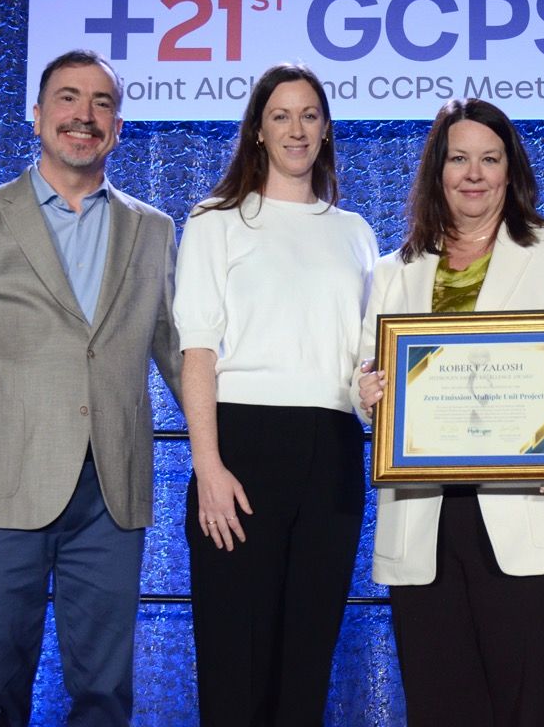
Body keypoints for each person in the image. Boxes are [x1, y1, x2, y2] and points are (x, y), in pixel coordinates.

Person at [0, 49, 181, 725]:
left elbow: (177, 350)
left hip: (112, 494)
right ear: (36, 116)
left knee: (105, 692)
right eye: (67, 98)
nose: (83, 116)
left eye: (101, 103)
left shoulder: (153, 229)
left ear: (118, 127)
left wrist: (242, 433)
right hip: (1, 488)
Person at [354, 98, 544, 726]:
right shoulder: (392, 273)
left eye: (489, 158)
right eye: (459, 159)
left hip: (540, 516)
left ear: (511, 171)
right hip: (425, 529)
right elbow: (365, 370)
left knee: (535, 711)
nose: (473, 174)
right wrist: (364, 394)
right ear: (437, 171)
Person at [173, 63, 378, 726]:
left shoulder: (356, 233)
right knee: (236, 664)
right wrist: (208, 467)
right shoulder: (217, 220)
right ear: (257, 130)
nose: (297, 128)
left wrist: (375, 391)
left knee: (306, 665)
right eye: (282, 115)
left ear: (326, 130)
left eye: (310, 115)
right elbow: (197, 350)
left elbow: (361, 364)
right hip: (242, 450)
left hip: (334, 452)